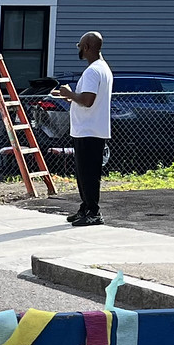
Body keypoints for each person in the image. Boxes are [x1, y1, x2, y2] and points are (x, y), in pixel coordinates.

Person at [51, 31, 113, 227]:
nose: (78, 49)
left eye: (80, 45)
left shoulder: (93, 71)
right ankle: (86, 207)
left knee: (88, 174)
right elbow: (87, 99)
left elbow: (87, 100)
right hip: (91, 128)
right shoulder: (103, 68)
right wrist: (70, 96)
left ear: (87, 47)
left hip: (88, 129)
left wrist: (69, 93)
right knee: (84, 172)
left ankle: (94, 212)